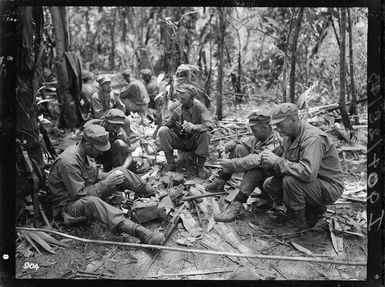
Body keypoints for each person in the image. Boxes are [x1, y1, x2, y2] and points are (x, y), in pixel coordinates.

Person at [47, 124, 164, 245]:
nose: (101, 152)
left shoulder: (86, 153)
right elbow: (79, 196)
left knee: (121, 171)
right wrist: (105, 183)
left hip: (88, 193)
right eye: (98, 148)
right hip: (68, 206)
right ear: (87, 144)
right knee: (92, 202)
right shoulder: (69, 163)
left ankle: (156, 193)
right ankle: (141, 232)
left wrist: (110, 177)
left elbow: (95, 176)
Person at [260, 103, 344, 232]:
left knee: (290, 181)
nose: (277, 129)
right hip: (312, 184)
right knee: (270, 184)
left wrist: (277, 162)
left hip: (329, 187)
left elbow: (307, 173)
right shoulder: (288, 137)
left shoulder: (312, 138)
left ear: (293, 120)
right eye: (275, 125)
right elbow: (285, 159)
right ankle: (311, 212)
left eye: (279, 125)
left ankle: (298, 223)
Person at [209, 110, 282, 222]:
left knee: (255, 168)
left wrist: (231, 163)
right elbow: (241, 141)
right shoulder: (259, 137)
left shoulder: (276, 142)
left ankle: (237, 204)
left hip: (274, 186)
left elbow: (255, 160)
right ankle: (221, 181)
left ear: (266, 128)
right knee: (238, 148)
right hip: (264, 181)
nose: (252, 133)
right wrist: (226, 146)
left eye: (254, 130)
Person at [158, 83, 214, 179]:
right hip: (178, 140)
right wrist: (173, 118)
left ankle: (200, 167)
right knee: (163, 131)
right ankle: (171, 163)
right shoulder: (176, 106)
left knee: (206, 134)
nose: (181, 101)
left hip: (193, 141)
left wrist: (195, 127)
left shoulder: (199, 107)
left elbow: (210, 125)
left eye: (184, 99)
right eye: (180, 99)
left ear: (192, 99)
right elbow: (165, 125)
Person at [84, 108, 137, 173]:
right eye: (114, 127)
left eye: (118, 128)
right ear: (106, 122)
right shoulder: (93, 128)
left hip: (110, 158)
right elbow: (85, 150)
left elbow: (129, 155)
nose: (115, 130)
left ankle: (115, 170)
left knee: (120, 144)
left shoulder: (120, 132)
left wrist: (122, 169)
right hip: (95, 157)